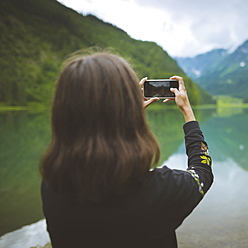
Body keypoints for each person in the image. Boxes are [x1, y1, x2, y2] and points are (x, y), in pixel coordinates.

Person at [40, 52, 213, 248]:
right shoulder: (159, 190)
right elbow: (202, 172)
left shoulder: (52, 187)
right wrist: (188, 112)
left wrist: (127, 113)